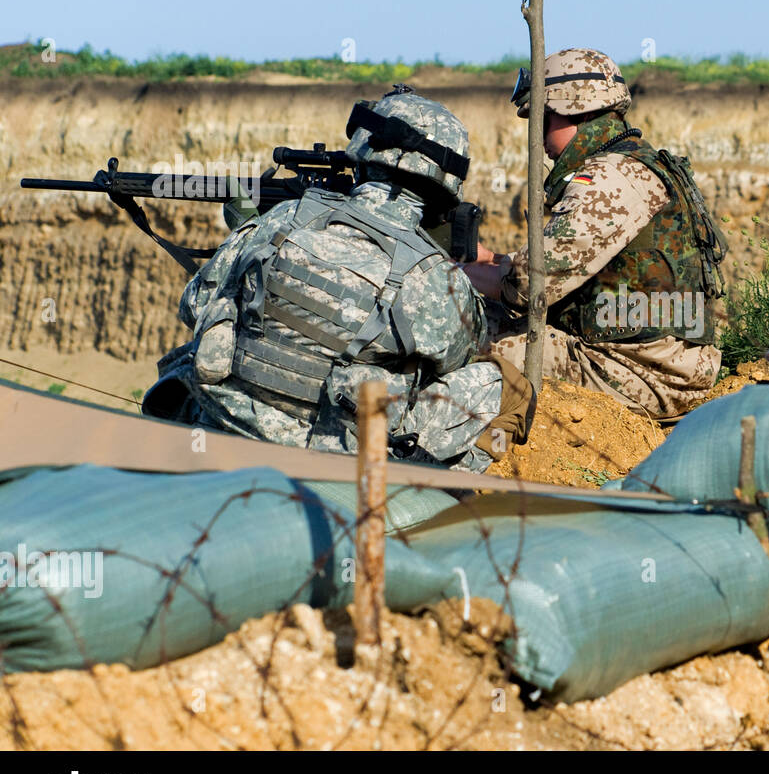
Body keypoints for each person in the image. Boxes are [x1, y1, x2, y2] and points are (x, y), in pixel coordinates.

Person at [144, 86, 533, 472]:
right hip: (333, 460)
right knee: (502, 384)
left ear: (363, 150)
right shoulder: (435, 276)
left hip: (225, 424)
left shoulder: (285, 218)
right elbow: (458, 359)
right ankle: (441, 492)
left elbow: (196, 303)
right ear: (446, 181)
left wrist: (248, 233)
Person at [461, 48, 727, 421]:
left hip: (641, 374)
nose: (538, 137)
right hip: (666, 361)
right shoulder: (636, 164)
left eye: (544, 119)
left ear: (579, 111)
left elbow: (528, 287)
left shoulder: (608, 180)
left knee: (457, 328)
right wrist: (492, 261)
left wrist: (448, 273)